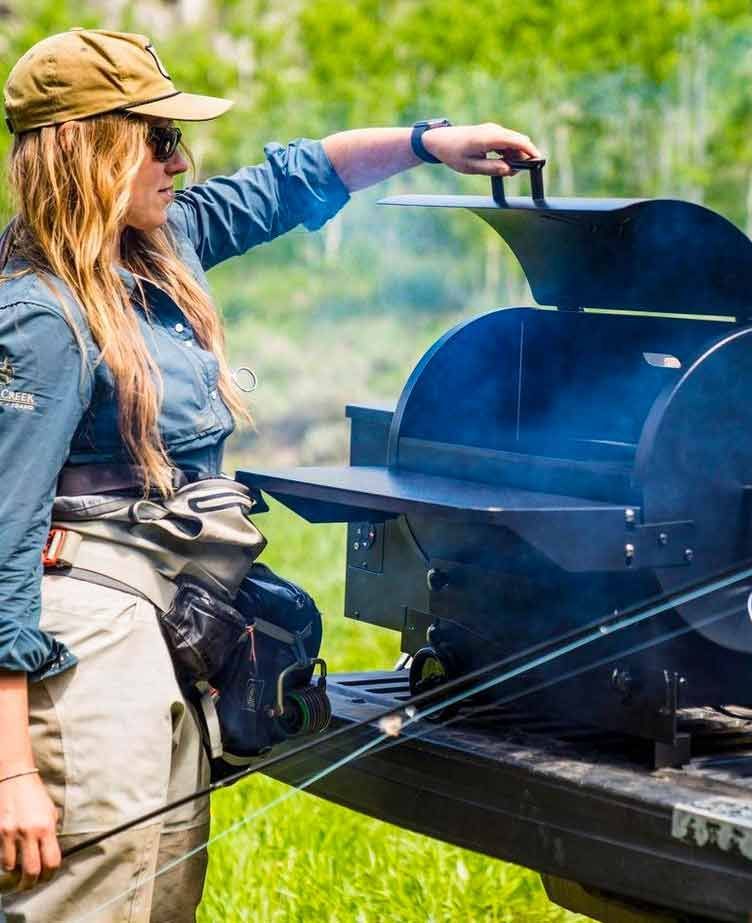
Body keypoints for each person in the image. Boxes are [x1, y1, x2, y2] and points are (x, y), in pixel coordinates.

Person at [0, 27, 540, 923]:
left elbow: (290, 182)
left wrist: (426, 144)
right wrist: (12, 768)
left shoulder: (158, 247)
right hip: (81, 646)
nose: (182, 160)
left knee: (162, 889)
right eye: (159, 139)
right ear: (88, 149)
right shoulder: (41, 317)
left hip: (157, 628)